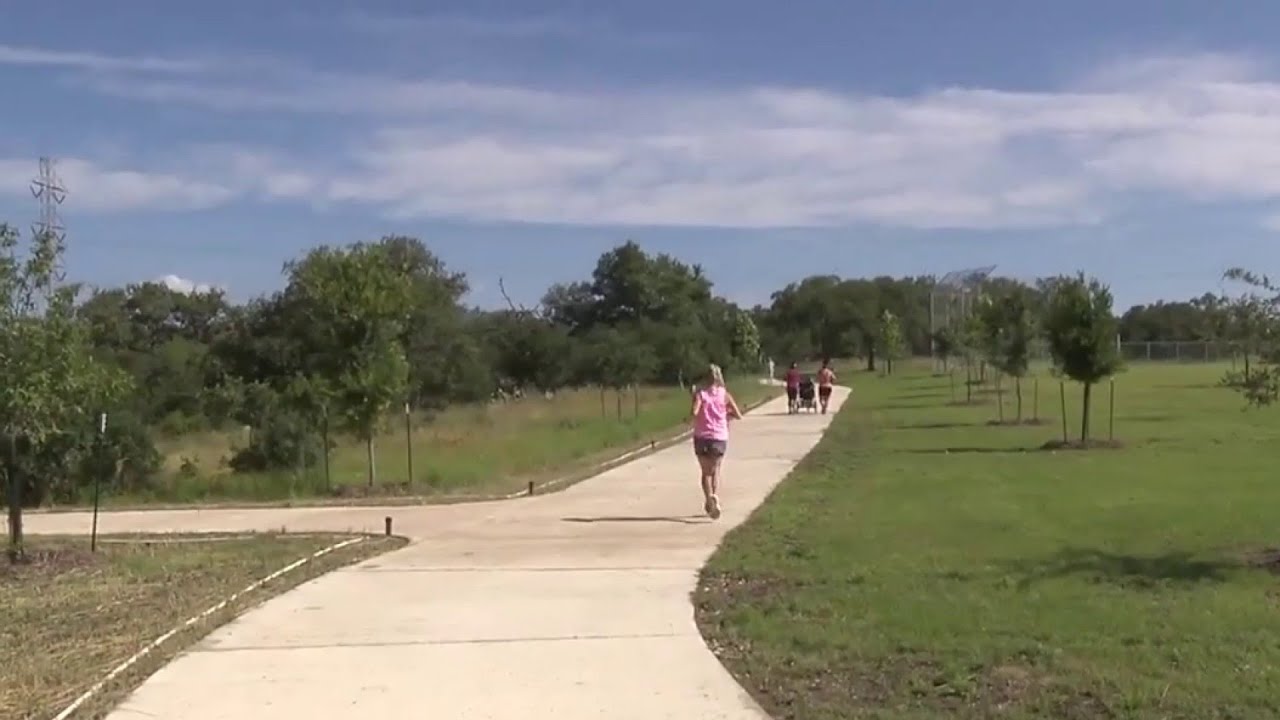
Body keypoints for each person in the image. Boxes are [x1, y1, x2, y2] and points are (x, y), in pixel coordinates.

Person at [690, 363, 742, 519]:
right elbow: (738, 414)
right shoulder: (724, 395)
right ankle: (714, 496)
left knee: (705, 472)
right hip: (719, 437)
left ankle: (708, 498)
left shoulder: (701, 394)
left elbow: (694, 412)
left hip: (701, 436)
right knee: (716, 469)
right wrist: (726, 414)